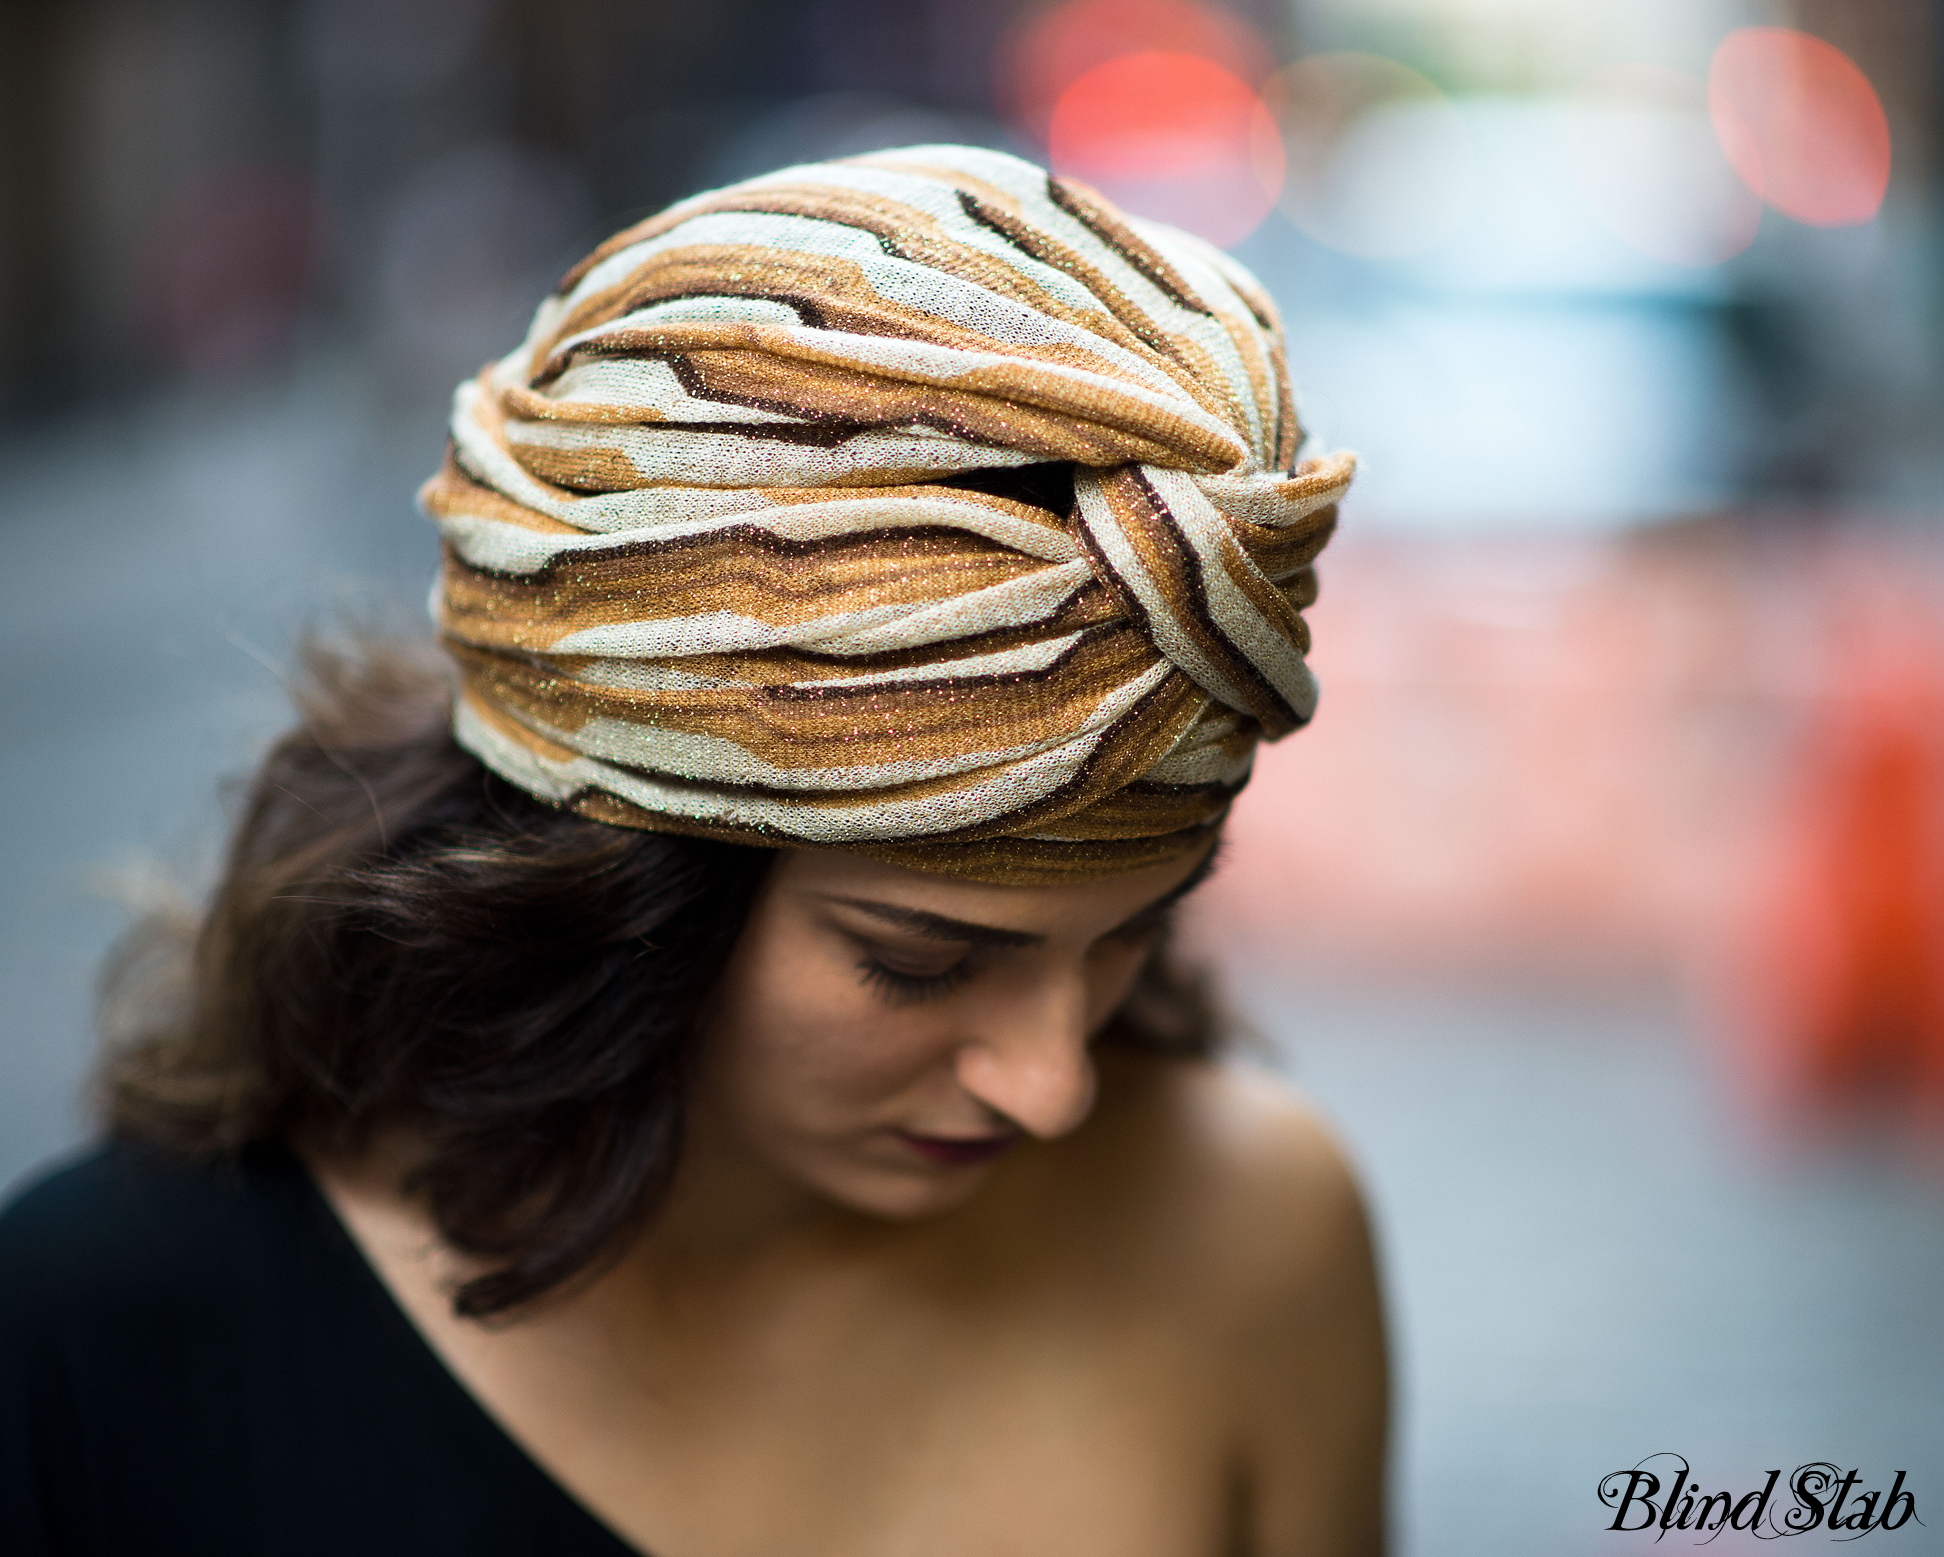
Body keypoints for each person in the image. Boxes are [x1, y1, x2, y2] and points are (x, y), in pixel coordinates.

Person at [0, 145, 1385, 1556]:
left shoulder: (1254, 1234)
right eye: (918, 961)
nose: (1049, 1085)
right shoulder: (105, 1330)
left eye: (1131, 934)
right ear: (617, 878)